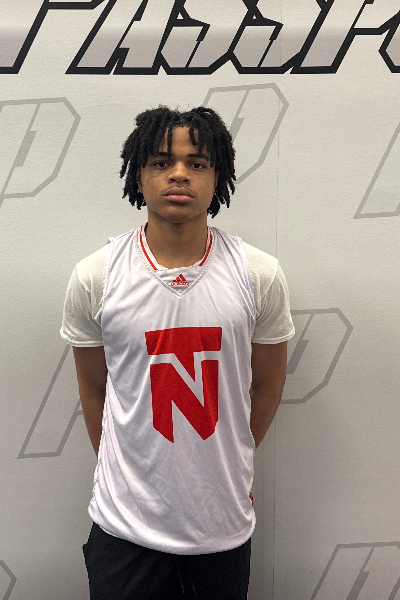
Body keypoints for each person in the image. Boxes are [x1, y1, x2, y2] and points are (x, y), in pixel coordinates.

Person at [60, 105, 295, 600]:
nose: (179, 174)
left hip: (222, 527)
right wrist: (126, 472)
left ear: (217, 177)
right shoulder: (96, 276)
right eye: (162, 162)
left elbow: (268, 386)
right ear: (139, 176)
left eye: (197, 163)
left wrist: (230, 459)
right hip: (124, 529)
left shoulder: (258, 274)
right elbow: (94, 388)